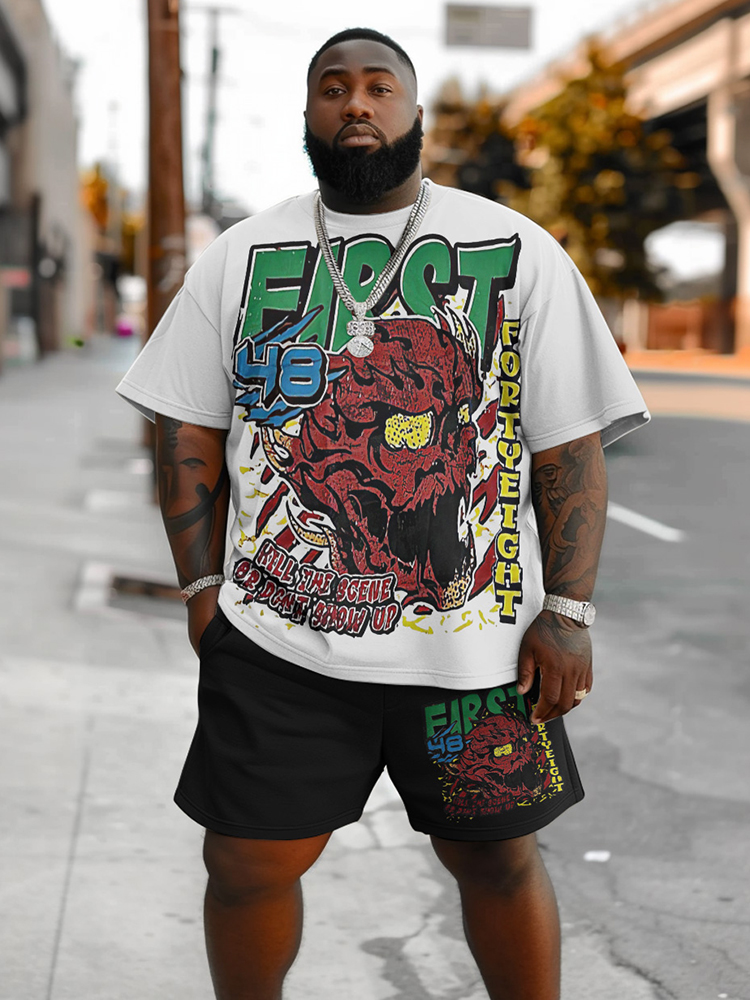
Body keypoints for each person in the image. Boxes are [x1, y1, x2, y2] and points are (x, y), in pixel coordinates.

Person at [117, 27, 649, 1000]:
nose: (356, 103)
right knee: (244, 862)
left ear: (414, 112)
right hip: (280, 644)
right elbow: (184, 428)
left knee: (498, 860)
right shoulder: (241, 255)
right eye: (334, 87)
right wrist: (202, 587)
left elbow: (566, 446)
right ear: (309, 113)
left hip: (476, 654)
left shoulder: (516, 249)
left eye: (378, 86)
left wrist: (569, 611)